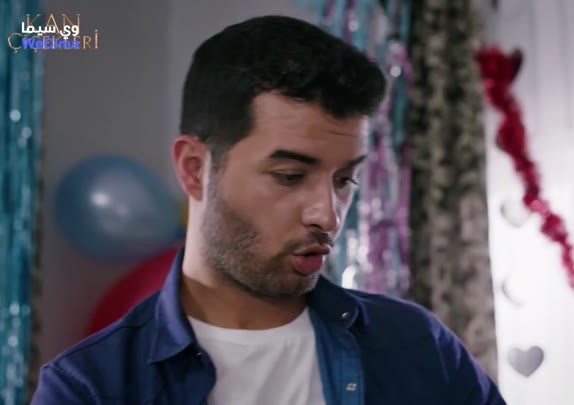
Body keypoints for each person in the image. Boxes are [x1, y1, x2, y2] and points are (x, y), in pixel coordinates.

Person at [32, 15, 507, 405]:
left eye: (344, 180)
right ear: (195, 169)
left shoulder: (417, 345)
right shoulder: (89, 389)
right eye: (290, 176)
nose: (328, 216)